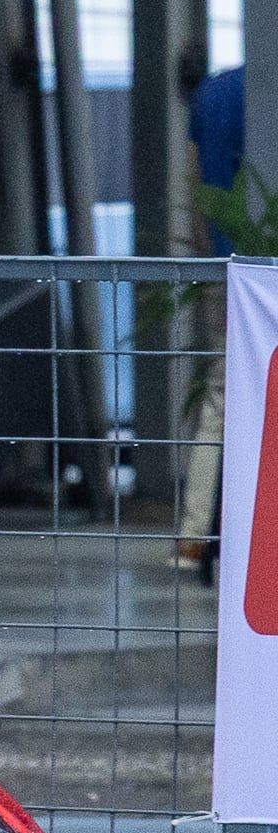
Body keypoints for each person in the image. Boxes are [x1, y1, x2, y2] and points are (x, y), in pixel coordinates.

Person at [178, 66, 243, 581]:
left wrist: (210, 272)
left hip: (228, 267)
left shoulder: (213, 93)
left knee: (220, 403)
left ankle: (195, 535)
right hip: (267, 266)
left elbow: (197, 191)